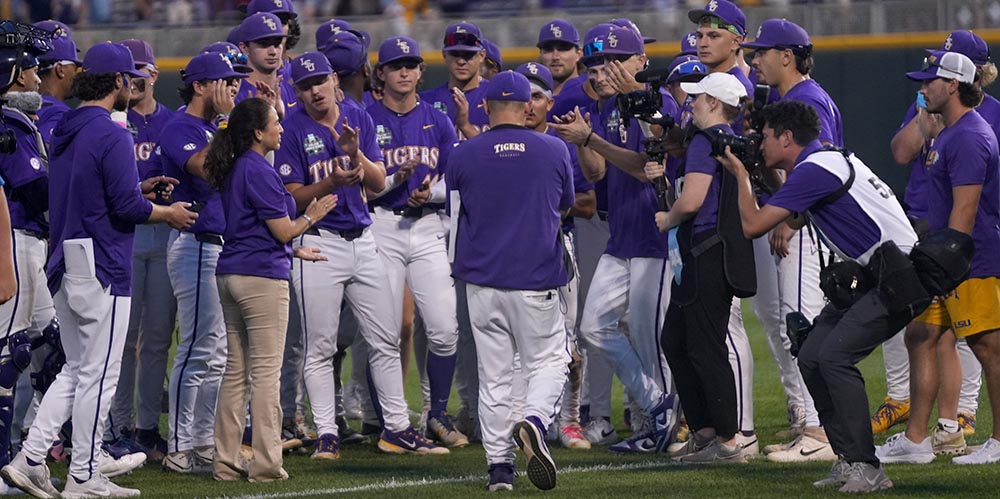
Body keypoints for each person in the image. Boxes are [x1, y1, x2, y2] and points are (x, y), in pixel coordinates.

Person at [2, 41, 197, 499]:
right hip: (101, 263)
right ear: (117, 82)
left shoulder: (67, 126)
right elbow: (126, 207)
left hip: (65, 259)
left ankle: (30, 459)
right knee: (99, 373)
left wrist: (138, 185)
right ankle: (84, 475)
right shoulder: (110, 132)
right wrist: (167, 213)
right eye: (129, 78)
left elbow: (92, 190)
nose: (134, 85)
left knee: (77, 369)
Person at [718, 99, 922, 492]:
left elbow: (754, 224)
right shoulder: (821, 161)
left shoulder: (816, 168)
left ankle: (868, 466)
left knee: (833, 357)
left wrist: (741, 175)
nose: (760, 145)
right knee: (811, 355)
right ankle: (847, 458)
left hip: (899, 275)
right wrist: (759, 172)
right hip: (876, 272)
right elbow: (791, 210)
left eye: (765, 137)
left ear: (787, 137)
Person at [276, 51, 446, 458]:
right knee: (321, 344)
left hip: (363, 237)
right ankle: (327, 432)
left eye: (320, 80)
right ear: (296, 92)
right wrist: (330, 181)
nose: (315, 90)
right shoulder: (291, 128)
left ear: (334, 79)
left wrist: (354, 156)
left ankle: (397, 428)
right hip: (319, 242)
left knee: (385, 337)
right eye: (305, 85)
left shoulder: (358, 116)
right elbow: (292, 198)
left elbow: (376, 181)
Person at [550, 23, 677, 454]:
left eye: (615, 60)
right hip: (620, 235)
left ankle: (659, 424)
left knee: (647, 338)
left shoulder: (656, 102)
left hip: (655, 235)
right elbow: (595, 174)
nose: (605, 70)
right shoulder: (606, 108)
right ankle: (659, 405)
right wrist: (585, 142)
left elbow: (645, 165)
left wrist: (593, 140)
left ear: (641, 61)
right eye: (599, 62)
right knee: (593, 328)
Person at [448, 70, 573, 492]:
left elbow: (454, 219)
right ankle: (535, 421)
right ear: (527, 107)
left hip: (482, 284)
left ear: (484, 107)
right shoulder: (554, 150)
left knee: (495, 377)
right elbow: (565, 206)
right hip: (535, 277)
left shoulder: (462, 154)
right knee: (551, 362)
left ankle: (499, 469)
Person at [877, 50, 1000, 466]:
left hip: (971, 260)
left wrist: (944, 265)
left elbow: (964, 210)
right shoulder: (947, 130)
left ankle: (999, 442)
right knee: (920, 336)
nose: (923, 87)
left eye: (931, 80)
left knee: (988, 347)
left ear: (953, 85)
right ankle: (916, 441)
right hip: (945, 258)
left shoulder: (968, 135)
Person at [205, 97, 334, 482]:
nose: (281, 128)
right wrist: (310, 217)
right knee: (265, 374)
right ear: (258, 132)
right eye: (275, 122)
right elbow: (281, 228)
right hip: (260, 278)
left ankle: (226, 462)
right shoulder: (257, 169)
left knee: (236, 372)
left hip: (232, 273)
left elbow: (254, 231)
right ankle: (265, 465)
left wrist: (295, 249)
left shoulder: (236, 166)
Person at [740, 18, 843, 461]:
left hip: (808, 226)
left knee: (802, 323)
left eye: (761, 52)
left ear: (787, 56)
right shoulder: (794, 97)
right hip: (800, 218)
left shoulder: (806, 99)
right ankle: (811, 422)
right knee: (791, 325)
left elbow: (825, 169)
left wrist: (793, 217)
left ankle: (820, 432)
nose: (754, 59)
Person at [365, 36, 468, 448]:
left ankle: (437, 414)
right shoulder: (365, 116)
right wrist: (394, 184)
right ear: (382, 74)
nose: (404, 71)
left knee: (444, 327)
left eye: (411, 64)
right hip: (381, 225)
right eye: (396, 65)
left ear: (421, 71)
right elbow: (358, 184)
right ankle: (387, 421)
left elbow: (454, 180)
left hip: (427, 227)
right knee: (385, 331)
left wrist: (433, 194)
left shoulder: (439, 119)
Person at [649, 72, 754, 464]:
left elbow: (692, 200)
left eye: (697, 98)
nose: (690, 103)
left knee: (703, 347)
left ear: (713, 103)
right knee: (676, 339)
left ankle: (727, 441)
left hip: (705, 251)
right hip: (718, 251)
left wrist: (667, 218)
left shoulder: (703, 141)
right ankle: (707, 432)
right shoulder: (729, 139)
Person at [159, 52, 246, 474]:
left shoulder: (214, 127)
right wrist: (229, 123)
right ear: (199, 85)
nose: (231, 88)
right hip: (195, 244)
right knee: (196, 349)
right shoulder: (181, 126)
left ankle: (202, 443)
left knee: (216, 353)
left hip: (219, 244)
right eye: (223, 81)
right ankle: (179, 446)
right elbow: (207, 169)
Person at [103, 37, 178, 460]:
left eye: (141, 72)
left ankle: (148, 427)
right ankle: (118, 425)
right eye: (127, 74)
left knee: (155, 340)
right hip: (125, 233)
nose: (135, 80)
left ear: (152, 74)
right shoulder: (111, 121)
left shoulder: (171, 121)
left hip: (163, 231)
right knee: (123, 338)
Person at [515, 61, 596, 450]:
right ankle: (525, 419)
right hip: (508, 255)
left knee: (566, 345)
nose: (528, 105)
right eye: (522, 96)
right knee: (513, 348)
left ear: (550, 102)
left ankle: (569, 421)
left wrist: (539, 207)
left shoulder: (563, 143)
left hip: (556, 247)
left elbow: (587, 202)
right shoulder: (497, 142)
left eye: (536, 96)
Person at [419, 21, 491, 139]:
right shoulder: (426, 102)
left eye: (468, 54)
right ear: (444, 55)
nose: (461, 61)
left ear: (482, 56)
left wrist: (465, 126)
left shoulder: (496, 97)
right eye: (455, 54)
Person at [33, 20, 78, 151]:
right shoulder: (59, 113)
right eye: (75, 67)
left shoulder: (13, 104)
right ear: (60, 70)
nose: (77, 74)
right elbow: (47, 159)